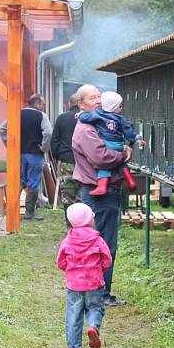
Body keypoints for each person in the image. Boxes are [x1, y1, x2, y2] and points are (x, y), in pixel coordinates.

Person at [72, 84, 131, 307]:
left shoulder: (96, 122)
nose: (98, 100)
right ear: (81, 104)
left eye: (99, 96)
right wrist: (123, 153)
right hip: (99, 194)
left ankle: (95, 292)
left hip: (104, 192)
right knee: (104, 244)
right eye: (92, 98)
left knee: (101, 242)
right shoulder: (86, 129)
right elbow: (101, 158)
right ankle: (100, 294)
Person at [56, 202, 112, 348]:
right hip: (95, 283)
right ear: (89, 221)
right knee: (95, 307)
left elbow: (61, 262)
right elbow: (107, 259)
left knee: (74, 313)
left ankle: (74, 347)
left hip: (74, 285)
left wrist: (70, 270)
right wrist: (100, 269)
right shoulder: (97, 240)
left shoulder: (68, 241)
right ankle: (93, 327)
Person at [0, 93, 52, 220]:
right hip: (35, 155)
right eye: (43, 104)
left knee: (18, 182)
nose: (43, 107)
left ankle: (12, 212)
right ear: (37, 103)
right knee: (33, 183)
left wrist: (10, 146)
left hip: (18, 155)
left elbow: (2, 129)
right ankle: (29, 213)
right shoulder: (41, 116)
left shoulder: (17, 113)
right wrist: (44, 148)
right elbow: (48, 133)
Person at [77, 91, 139, 196]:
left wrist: (80, 114)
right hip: (119, 144)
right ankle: (130, 180)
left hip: (107, 144)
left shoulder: (98, 114)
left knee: (104, 167)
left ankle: (102, 186)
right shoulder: (120, 118)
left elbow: (85, 118)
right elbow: (128, 131)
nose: (121, 108)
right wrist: (134, 140)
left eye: (98, 97)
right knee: (121, 164)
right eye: (120, 106)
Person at [51, 93, 81, 225]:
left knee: (68, 194)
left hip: (67, 161)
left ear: (70, 104)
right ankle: (84, 225)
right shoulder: (89, 118)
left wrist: (59, 156)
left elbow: (54, 141)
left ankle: (71, 225)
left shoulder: (62, 118)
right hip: (86, 162)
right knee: (83, 194)